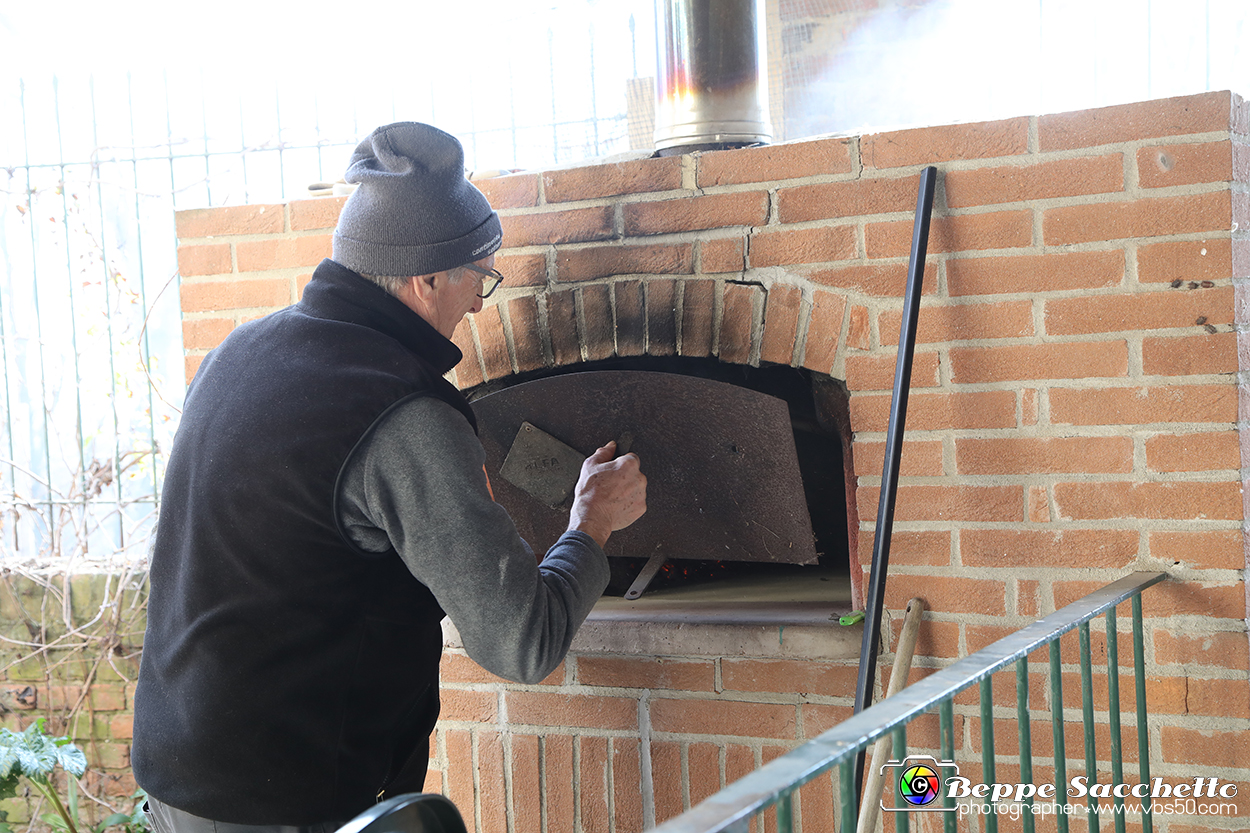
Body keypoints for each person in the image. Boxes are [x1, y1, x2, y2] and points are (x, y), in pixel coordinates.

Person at [132, 122, 647, 832]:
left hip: (175, 783)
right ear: (426, 276)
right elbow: (522, 641)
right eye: (479, 276)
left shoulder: (239, 351)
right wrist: (591, 522)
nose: (477, 299)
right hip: (288, 806)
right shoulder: (403, 412)